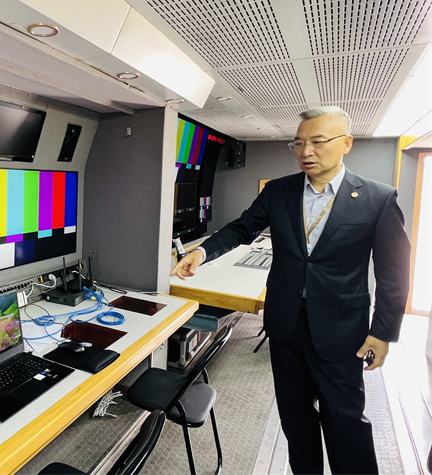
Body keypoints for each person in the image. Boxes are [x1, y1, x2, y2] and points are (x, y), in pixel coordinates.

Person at [171, 106, 410, 474]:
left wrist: (383, 332)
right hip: (286, 325)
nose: (306, 152)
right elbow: (242, 228)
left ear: (346, 143)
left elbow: (394, 273)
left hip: (342, 330)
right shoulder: (279, 191)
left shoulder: (378, 198)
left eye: (318, 142)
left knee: (345, 421)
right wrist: (201, 252)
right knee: (295, 419)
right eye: (298, 143)